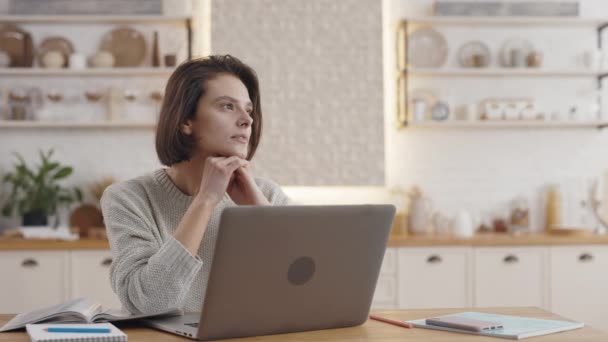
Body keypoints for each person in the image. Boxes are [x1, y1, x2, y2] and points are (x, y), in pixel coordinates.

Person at [100, 55, 291, 314]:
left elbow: (307, 289)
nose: (247, 120)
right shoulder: (128, 198)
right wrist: (205, 201)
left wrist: (260, 214)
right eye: (227, 106)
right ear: (185, 121)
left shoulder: (267, 194)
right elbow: (148, 302)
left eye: (248, 109)